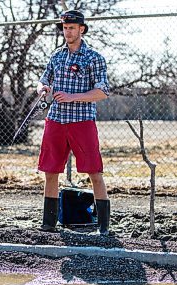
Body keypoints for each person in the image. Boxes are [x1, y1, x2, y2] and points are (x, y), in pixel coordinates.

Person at [37, 9, 110, 235]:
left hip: (82, 122)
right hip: (56, 120)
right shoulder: (57, 56)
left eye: (72, 28)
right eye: (65, 28)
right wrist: (43, 89)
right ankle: (48, 224)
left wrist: (72, 97)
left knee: (94, 172)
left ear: (81, 29)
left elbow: (102, 92)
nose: (67, 32)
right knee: (50, 171)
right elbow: (42, 80)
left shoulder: (94, 58)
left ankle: (103, 227)